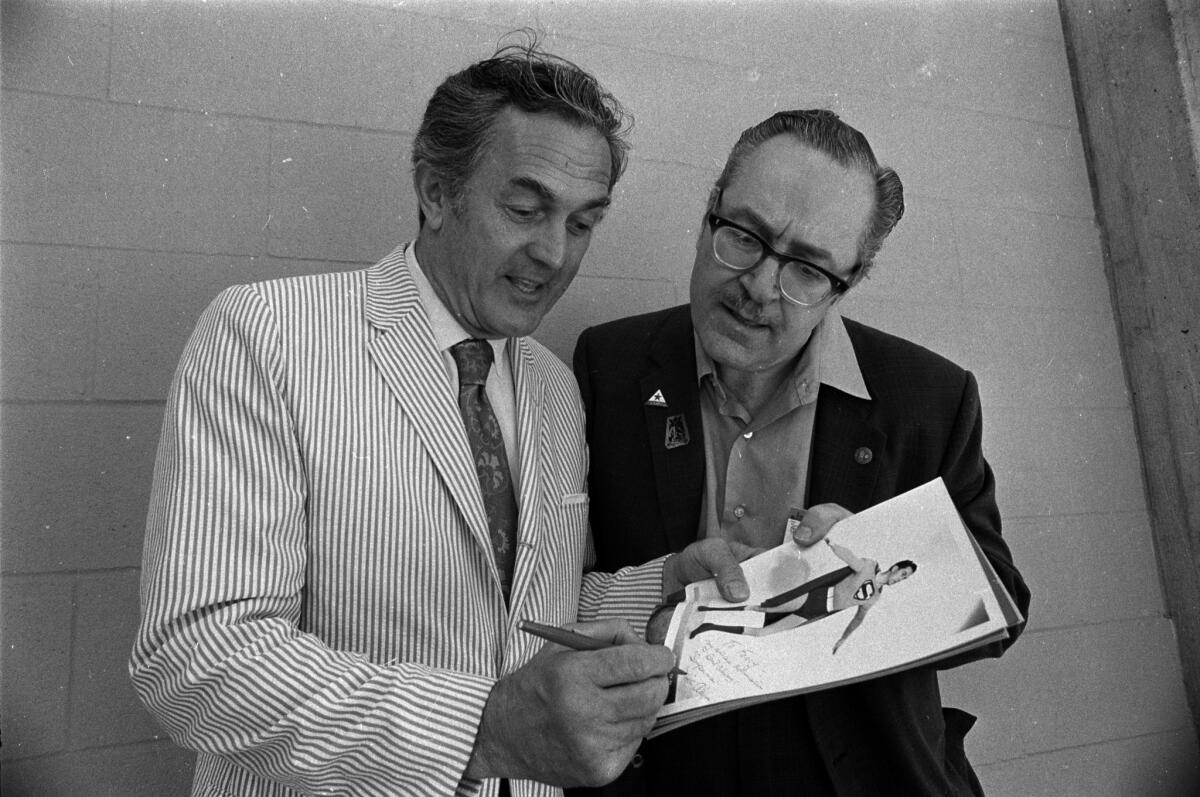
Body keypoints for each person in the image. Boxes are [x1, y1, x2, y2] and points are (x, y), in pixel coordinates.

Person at [130, 40, 752, 797]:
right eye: (525, 209)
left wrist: (661, 587)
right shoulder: (268, 336)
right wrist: (481, 729)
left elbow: (526, 606)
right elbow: (199, 655)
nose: (555, 253)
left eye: (583, 223)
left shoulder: (554, 387)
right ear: (435, 190)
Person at [572, 110, 1032, 796]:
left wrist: (883, 558)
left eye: (808, 269)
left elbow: (1001, 609)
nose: (759, 286)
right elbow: (564, 585)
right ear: (707, 219)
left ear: (848, 281)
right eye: (744, 236)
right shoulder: (607, 363)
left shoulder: (930, 397)